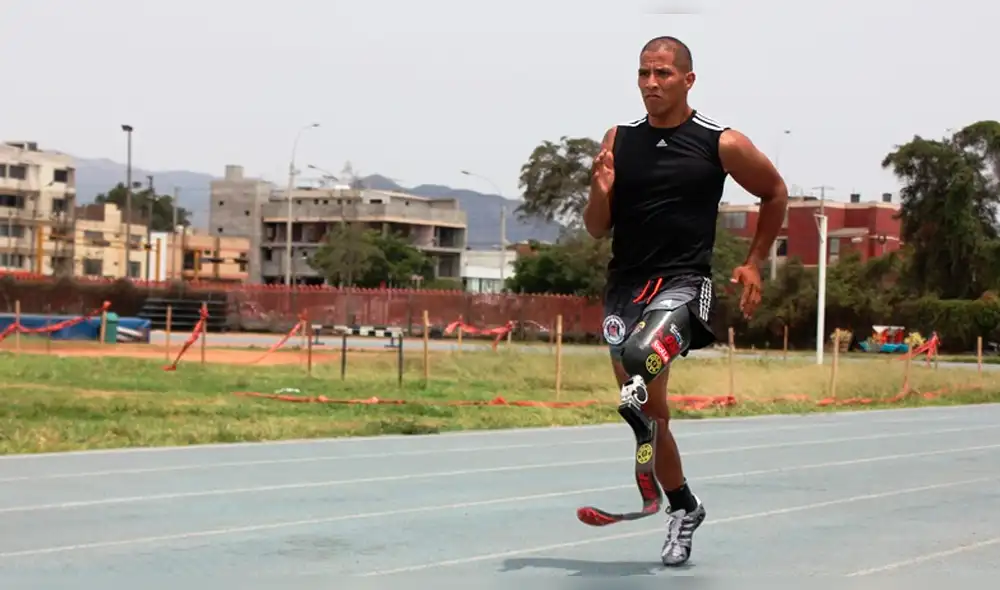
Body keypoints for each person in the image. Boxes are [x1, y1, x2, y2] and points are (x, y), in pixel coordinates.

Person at [582, 35, 788, 567]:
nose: (652, 83)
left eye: (663, 74)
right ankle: (684, 506)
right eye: (644, 73)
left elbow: (774, 192)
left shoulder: (721, 142)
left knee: (637, 362)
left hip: (683, 284)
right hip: (625, 287)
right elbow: (596, 228)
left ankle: (650, 476)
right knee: (651, 413)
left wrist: (754, 261)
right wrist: (601, 189)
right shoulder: (618, 139)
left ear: (687, 80)